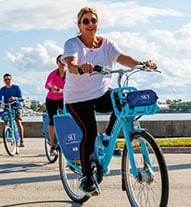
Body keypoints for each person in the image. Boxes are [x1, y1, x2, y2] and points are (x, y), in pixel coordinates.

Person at [61, 7, 157, 194]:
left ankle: (106, 139)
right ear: (79, 25)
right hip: (77, 98)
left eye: (93, 20)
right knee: (89, 131)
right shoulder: (73, 44)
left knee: (122, 101)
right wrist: (81, 67)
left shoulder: (107, 44)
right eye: (86, 21)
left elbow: (123, 58)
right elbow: (71, 64)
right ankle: (87, 178)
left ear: (98, 23)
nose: (90, 24)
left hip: (100, 92)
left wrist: (142, 64)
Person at [44, 54, 66, 156]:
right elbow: (47, 84)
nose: (62, 63)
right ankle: (52, 145)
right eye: (60, 61)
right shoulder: (53, 73)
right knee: (52, 120)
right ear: (57, 63)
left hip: (63, 98)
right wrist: (51, 87)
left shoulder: (69, 74)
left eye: (64, 61)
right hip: (51, 99)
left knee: (69, 117)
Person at [0, 73, 25, 147]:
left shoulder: (16, 87)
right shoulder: (2, 89)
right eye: (6, 79)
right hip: (7, 106)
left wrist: (15, 98)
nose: (7, 81)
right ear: (4, 80)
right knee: (6, 120)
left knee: (18, 121)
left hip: (16, 106)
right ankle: (7, 134)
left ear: (11, 79)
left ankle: (22, 140)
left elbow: (21, 98)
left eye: (9, 79)